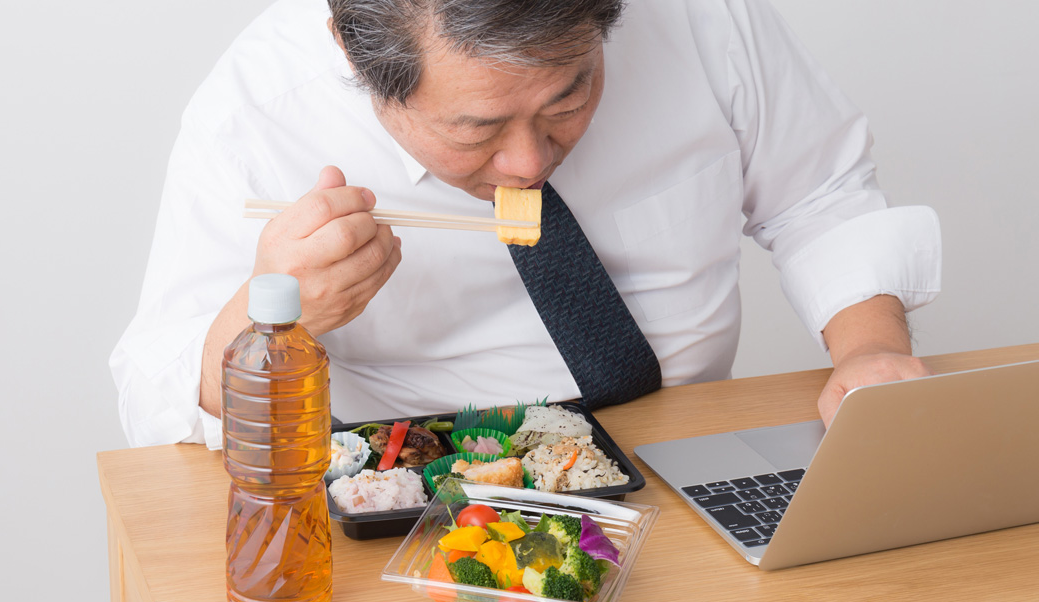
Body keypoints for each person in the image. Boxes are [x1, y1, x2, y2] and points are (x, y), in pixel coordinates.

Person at [110, 0, 941, 449]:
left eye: (569, 99)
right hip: (427, 494)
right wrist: (269, 319)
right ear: (351, 56)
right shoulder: (259, 114)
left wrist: (868, 349)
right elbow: (152, 394)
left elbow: (819, 191)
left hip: (687, 450)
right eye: (474, 129)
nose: (528, 164)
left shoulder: (698, 15)